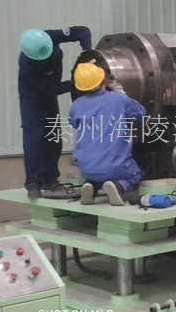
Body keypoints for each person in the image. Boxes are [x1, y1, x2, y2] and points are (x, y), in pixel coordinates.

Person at [18, 27, 92, 199]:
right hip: (33, 101)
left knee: (54, 140)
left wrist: (87, 53)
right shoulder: (28, 67)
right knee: (35, 141)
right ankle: (33, 184)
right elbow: (49, 90)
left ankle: (50, 181)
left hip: (49, 99)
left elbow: (83, 31)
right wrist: (75, 83)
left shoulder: (51, 36)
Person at [68, 63, 146, 206]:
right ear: (103, 81)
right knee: (137, 173)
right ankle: (118, 186)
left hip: (85, 168)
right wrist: (121, 94)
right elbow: (141, 112)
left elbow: (73, 122)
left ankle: (91, 186)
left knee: (97, 171)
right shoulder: (119, 99)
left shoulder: (76, 104)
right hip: (115, 167)